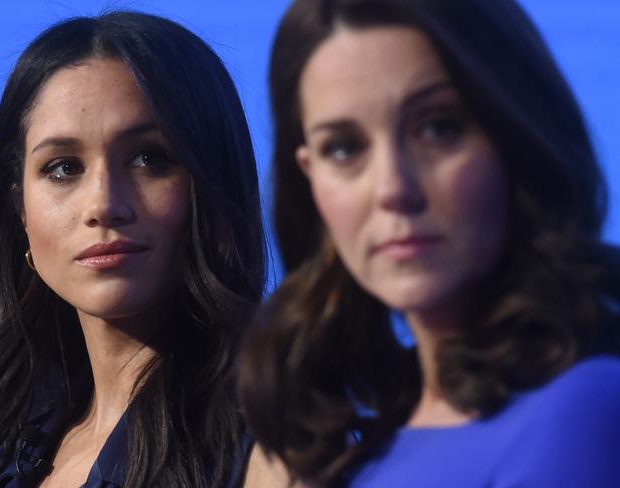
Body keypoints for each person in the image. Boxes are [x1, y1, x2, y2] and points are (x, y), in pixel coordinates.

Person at [237, 0, 620, 486]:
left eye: (439, 127)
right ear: (309, 178)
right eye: (345, 148)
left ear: (518, 134)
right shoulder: (349, 446)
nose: (393, 188)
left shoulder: (583, 413)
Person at [0, 11, 267, 488]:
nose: (104, 205)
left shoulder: (273, 448)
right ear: (20, 210)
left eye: (149, 158)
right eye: (64, 168)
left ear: (216, 184)